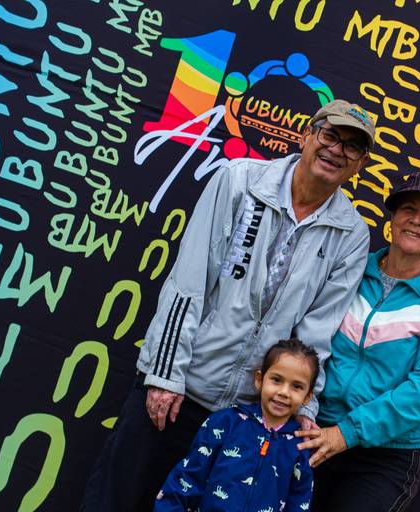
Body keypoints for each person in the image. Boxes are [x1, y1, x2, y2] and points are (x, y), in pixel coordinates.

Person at [80, 99, 375, 511]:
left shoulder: (351, 234)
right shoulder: (240, 180)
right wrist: (166, 375)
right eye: (330, 136)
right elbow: (189, 281)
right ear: (307, 135)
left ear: (360, 164)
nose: (336, 150)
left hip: (247, 416)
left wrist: (303, 405)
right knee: (117, 498)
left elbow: (316, 335)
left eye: (352, 146)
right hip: (182, 385)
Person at [296, 173, 420, 512]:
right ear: (393, 217)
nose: (416, 220)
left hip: (389, 454)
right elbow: (309, 335)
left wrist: (347, 433)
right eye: (409, 209)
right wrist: (305, 407)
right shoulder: (353, 267)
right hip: (316, 425)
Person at [154, 338, 317, 512]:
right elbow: (187, 479)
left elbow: (299, 504)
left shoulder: (300, 448)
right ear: (260, 380)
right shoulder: (225, 422)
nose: (284, 392)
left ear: (307, 397)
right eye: (277, 380)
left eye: (296, 386)